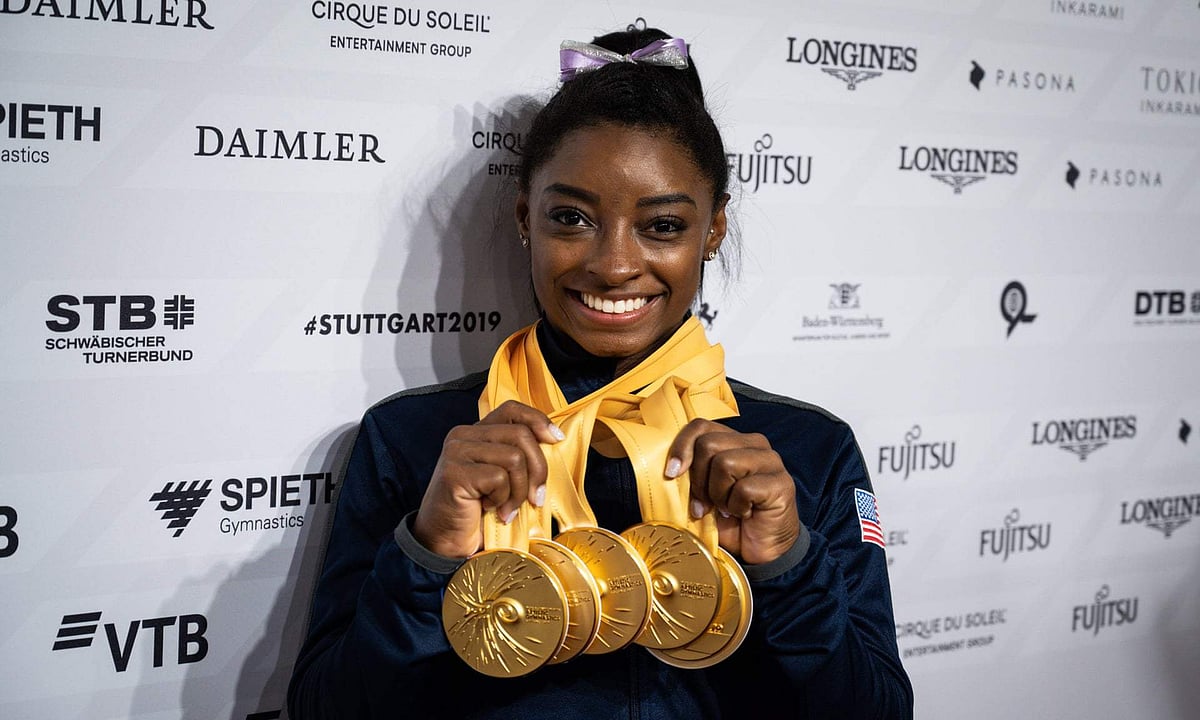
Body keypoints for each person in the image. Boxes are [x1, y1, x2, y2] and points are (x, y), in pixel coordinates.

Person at [288, 26, 913, 719]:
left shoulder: (807, 449)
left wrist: (787, 565)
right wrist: (428, 554)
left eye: (663, 226)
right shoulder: (414, 439)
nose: (614, 265)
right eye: (572, 218)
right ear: (526, 219)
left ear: (712, 230)